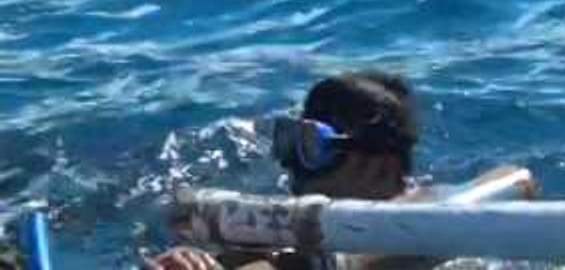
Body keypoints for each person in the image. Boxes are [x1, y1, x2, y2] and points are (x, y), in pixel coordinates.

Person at [146, 72, 421, 270]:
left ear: (380, 167)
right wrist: (189, 257)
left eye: (312, 146)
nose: (292, 163)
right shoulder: (287, 221)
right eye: (290, 139)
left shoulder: (429, 218)